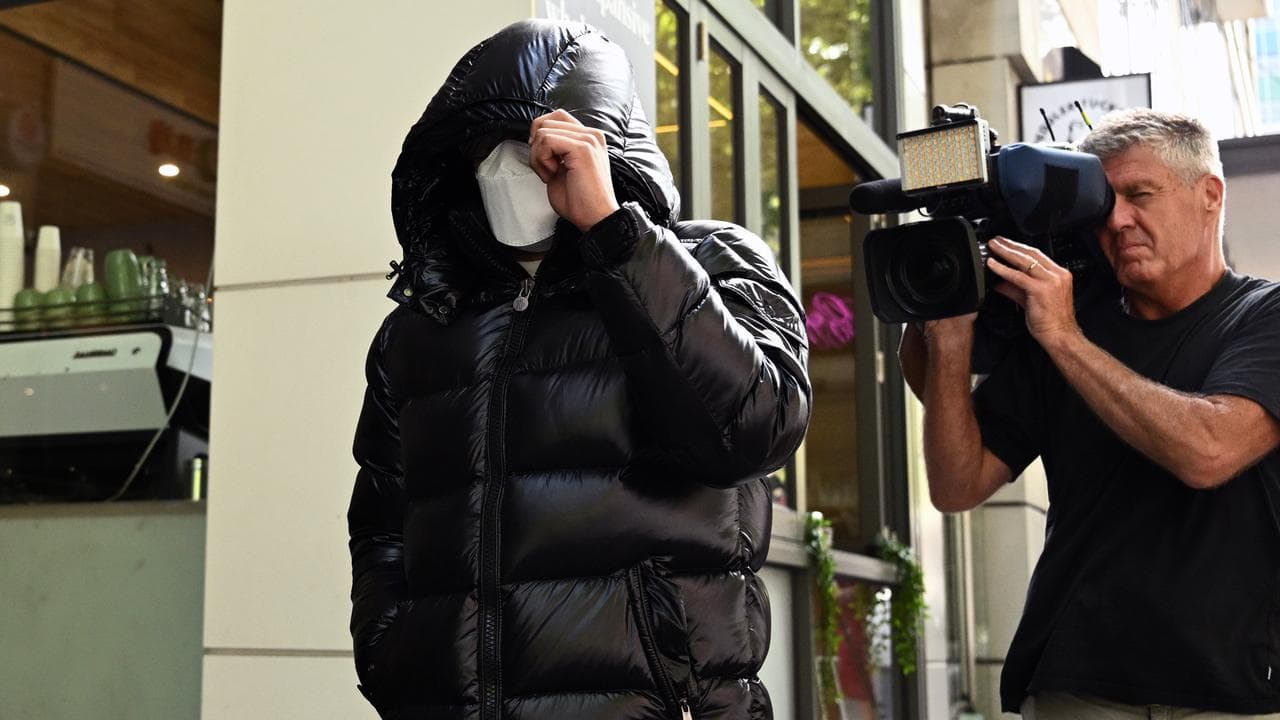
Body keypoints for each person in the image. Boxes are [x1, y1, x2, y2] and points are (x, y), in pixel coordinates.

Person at [346, 19, 811, 720]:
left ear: (599, 144)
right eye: (481, 146)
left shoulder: (710, 261)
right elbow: (383, 522)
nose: (506, 166)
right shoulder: (423, 323)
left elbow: (754, 428)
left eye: (534, 143)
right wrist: (392, 654)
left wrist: (616, 237)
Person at [900, 108, 1280, 718]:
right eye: (1105, 204)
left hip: (1231, 688)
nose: (1118, 220)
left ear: (1210, 195)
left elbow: (1209, 451)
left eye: (1140, 195)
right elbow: (956, 483)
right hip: (1075, 680)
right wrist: (948, 333)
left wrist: (1064, 338)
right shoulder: (1062, 325)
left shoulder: (1263, 316)